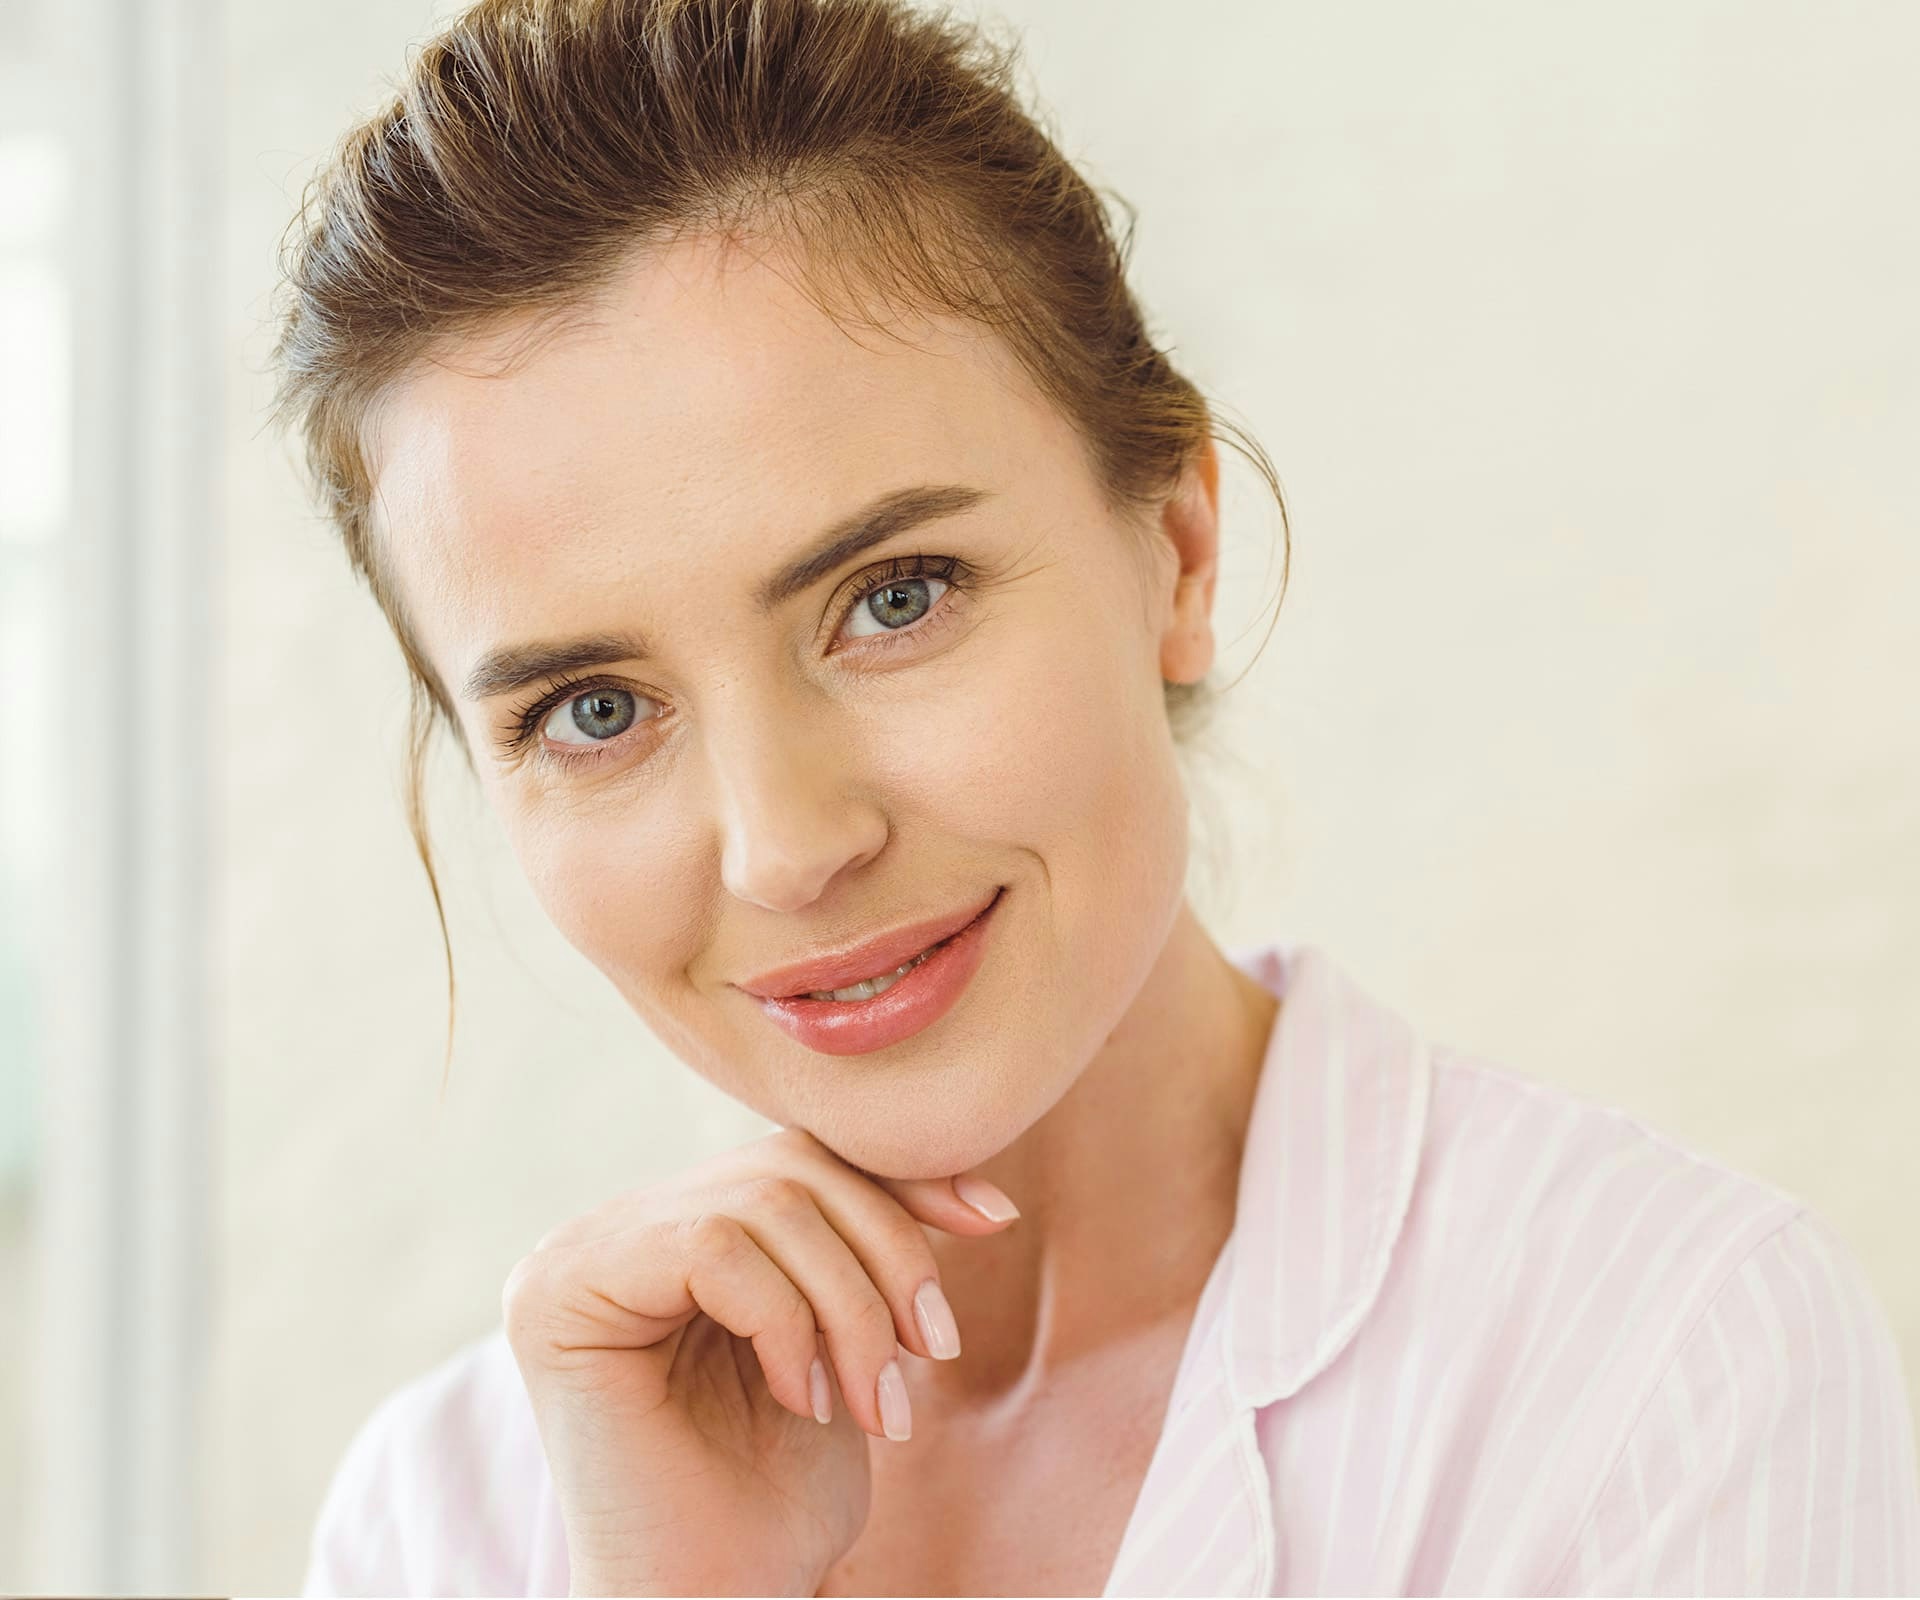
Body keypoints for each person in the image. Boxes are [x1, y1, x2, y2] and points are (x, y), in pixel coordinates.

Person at [270, 0, 1920, 1592]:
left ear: (1176, 549)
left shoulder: (1666, 1377)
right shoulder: (455, 1518)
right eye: (597, 708)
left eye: (896, 597)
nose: (788, 846)